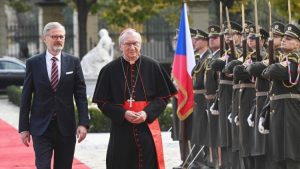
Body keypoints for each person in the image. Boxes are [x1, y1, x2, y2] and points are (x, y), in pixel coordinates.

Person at [92, 28, 177, 169]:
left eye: (135, 43)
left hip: (147, 128)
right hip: (121, 130)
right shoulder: (109, 70)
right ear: (120, 46)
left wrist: (146, 113)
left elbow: (163, 97)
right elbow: (102, 102)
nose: (132, 47)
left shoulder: (153, 66)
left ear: (140, 44)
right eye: (127, 44)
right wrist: (123, 113)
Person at [18, 22, 90, 169]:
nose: (58, 40)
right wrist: (24, 128)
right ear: (45, 38)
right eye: (54, 36)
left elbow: (81, 95)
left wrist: (83, 123)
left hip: (66, 127)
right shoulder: (33, 63)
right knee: (42, 166)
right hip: (41, 127)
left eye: (61, 37)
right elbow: (26, 96)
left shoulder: (73, 62)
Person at [262, 23, 300, 169]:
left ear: (297, 43)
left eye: (289, 38)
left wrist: (269, 68)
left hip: (291, 112)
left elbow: (271, 72)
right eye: (283, 37)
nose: (284, 40)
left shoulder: (295, 59)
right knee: (278, 157)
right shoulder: (285, 59)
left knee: (292, 157)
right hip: (279, 112)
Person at [189, 29, 211, 169]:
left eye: (198, 39)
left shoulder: (208, 58)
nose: (195, 42)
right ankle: (196, 160)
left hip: (203, 98)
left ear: (205, 41)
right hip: (197, 97)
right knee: (196, 129)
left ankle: (204, 160)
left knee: (203, 128)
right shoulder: (200, 58)